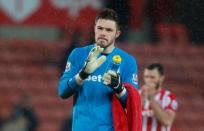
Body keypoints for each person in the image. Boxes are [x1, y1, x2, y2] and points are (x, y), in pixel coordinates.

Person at [58, 8, 141, 131]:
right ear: (94, 28)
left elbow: (133, 104)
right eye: (100, 28)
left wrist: (119, 88)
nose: (103, 33)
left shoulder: (128, 61)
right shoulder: (78, 55)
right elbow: (62, 91)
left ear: (117, 33)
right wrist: (83, 74)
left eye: (108, 30)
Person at [140, 63, 178, 131]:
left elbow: (167, 121)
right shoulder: (138, 94)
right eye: (146, 77)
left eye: (152, 77)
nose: (148, 80)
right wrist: (139, 100)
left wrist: (151, 99)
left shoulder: (168, 97)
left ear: (161, 78)